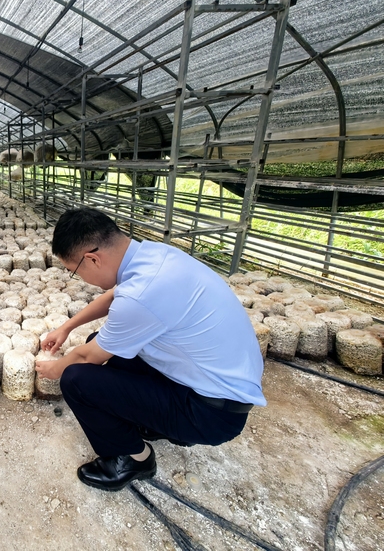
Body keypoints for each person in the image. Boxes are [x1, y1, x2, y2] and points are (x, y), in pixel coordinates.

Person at [35, 207, 265, 492]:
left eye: (74, 272)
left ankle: (134, 458)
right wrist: (67, 327)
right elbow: (116, 296)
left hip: (212, 414)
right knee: (101, 341)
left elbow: (85, 357)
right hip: (218, 390)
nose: (79, 279)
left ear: (92, 259)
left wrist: (52, 368)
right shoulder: (155, 256)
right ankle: (158, 424)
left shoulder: (141, 295)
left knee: (76, 378)